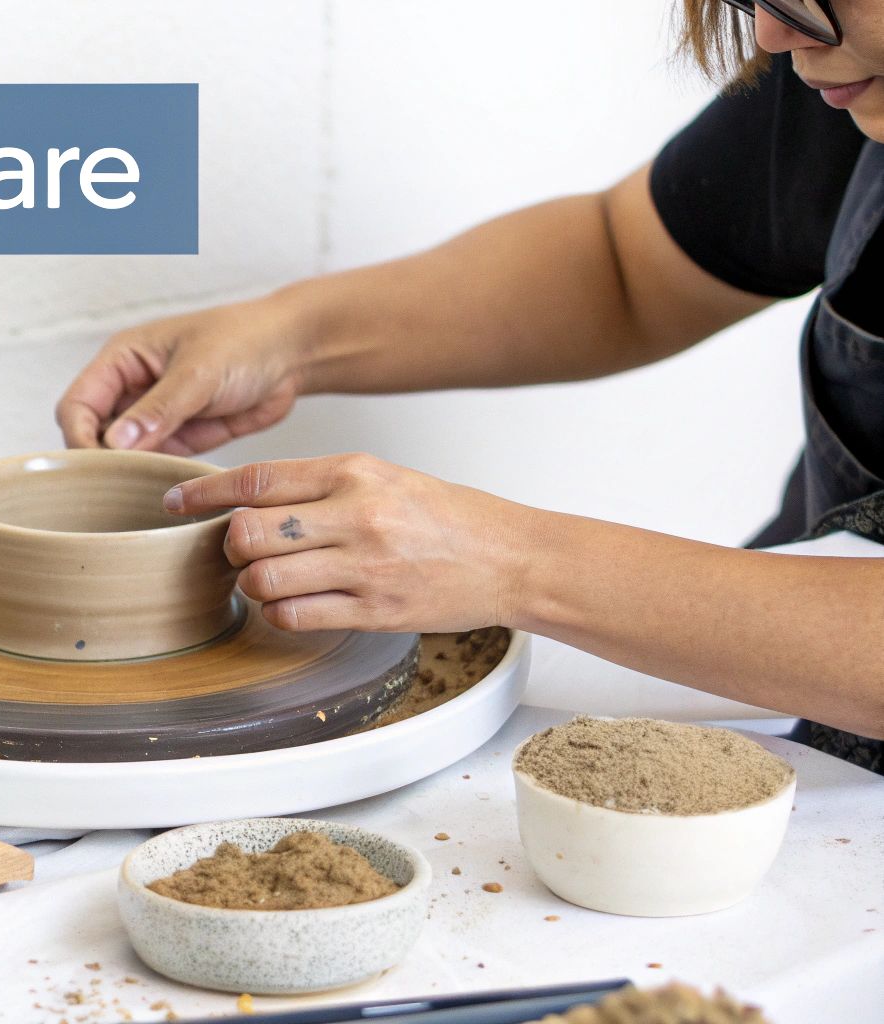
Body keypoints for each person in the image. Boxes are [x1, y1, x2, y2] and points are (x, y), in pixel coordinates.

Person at [55, 0, 884, 771]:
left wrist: (511, 565)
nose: (777, 38)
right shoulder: (844, 57)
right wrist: (288, 337)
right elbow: (625, 265)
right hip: (799, 713)